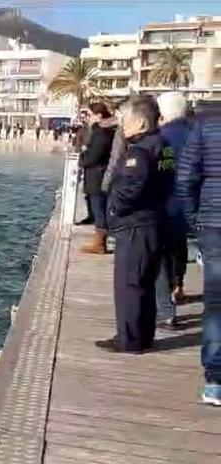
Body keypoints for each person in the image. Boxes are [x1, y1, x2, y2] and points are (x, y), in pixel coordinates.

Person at [97, 96, 164, 354]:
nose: (122, 124)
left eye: (125, 119)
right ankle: (143, 336)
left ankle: (129, 339)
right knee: (145, 284)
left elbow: (131, 189)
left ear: (141, 121)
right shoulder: (164, 146)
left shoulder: (138, 152)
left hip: (135, 226)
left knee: (130, 284)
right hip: (153, 222)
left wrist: (113, 209)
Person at [176, 99, 221, 405]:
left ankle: (216, 380)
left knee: (216, 302)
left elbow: (185, 179)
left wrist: (195, 221)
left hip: (213, 223)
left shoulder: (205, 127)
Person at [157, 92, 192, 307]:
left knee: (163, 251)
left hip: (166, 201)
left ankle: (167, 300)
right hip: (191, 202)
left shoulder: (161, 138)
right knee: (180, 245)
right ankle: (179, 283)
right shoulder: (197, 134)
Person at [80, 102, 117, 254]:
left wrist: (82, 159)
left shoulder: (101, 133)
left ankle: (100, 243)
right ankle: (100, 240)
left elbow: (93, 156)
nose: (87, 118)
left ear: (99, 116)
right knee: (99, 207)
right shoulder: (103, 132)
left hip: (97, 176)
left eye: (89, 115)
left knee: (99, 208)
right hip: (98, 175)